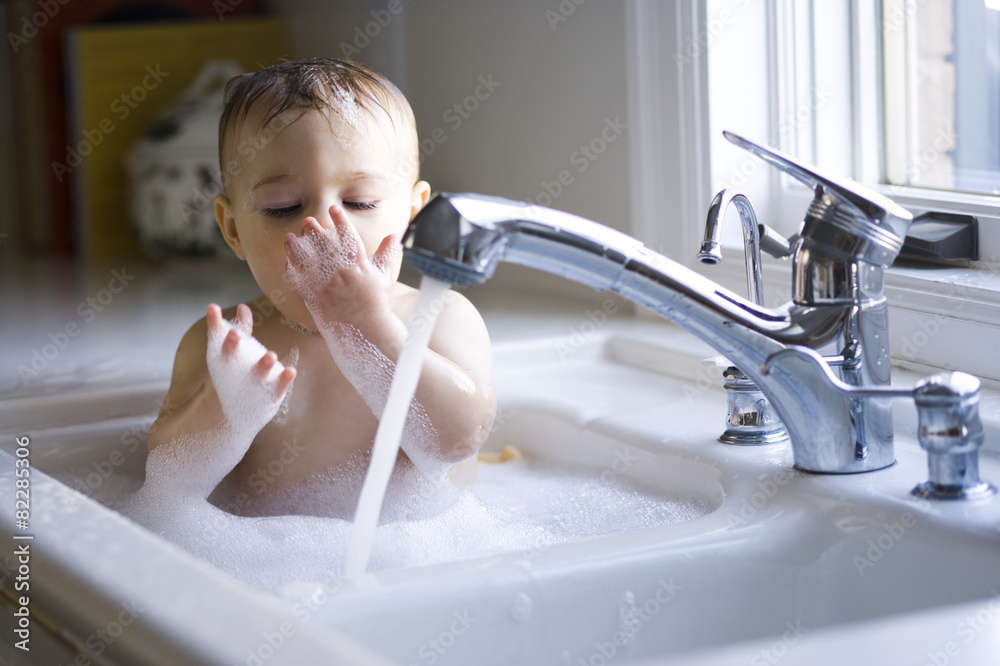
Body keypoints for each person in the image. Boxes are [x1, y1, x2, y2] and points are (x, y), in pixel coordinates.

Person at [144, 58, 496, 517]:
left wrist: (372, 327)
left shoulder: (441, 317)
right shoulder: (225, 345)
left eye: (359, 202)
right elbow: (165, 474)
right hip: (260, 565)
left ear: (413, 215)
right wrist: (223, 408)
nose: (324, 226)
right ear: (233, 230)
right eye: (282, 206)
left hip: (412, 566)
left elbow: (458, 439)